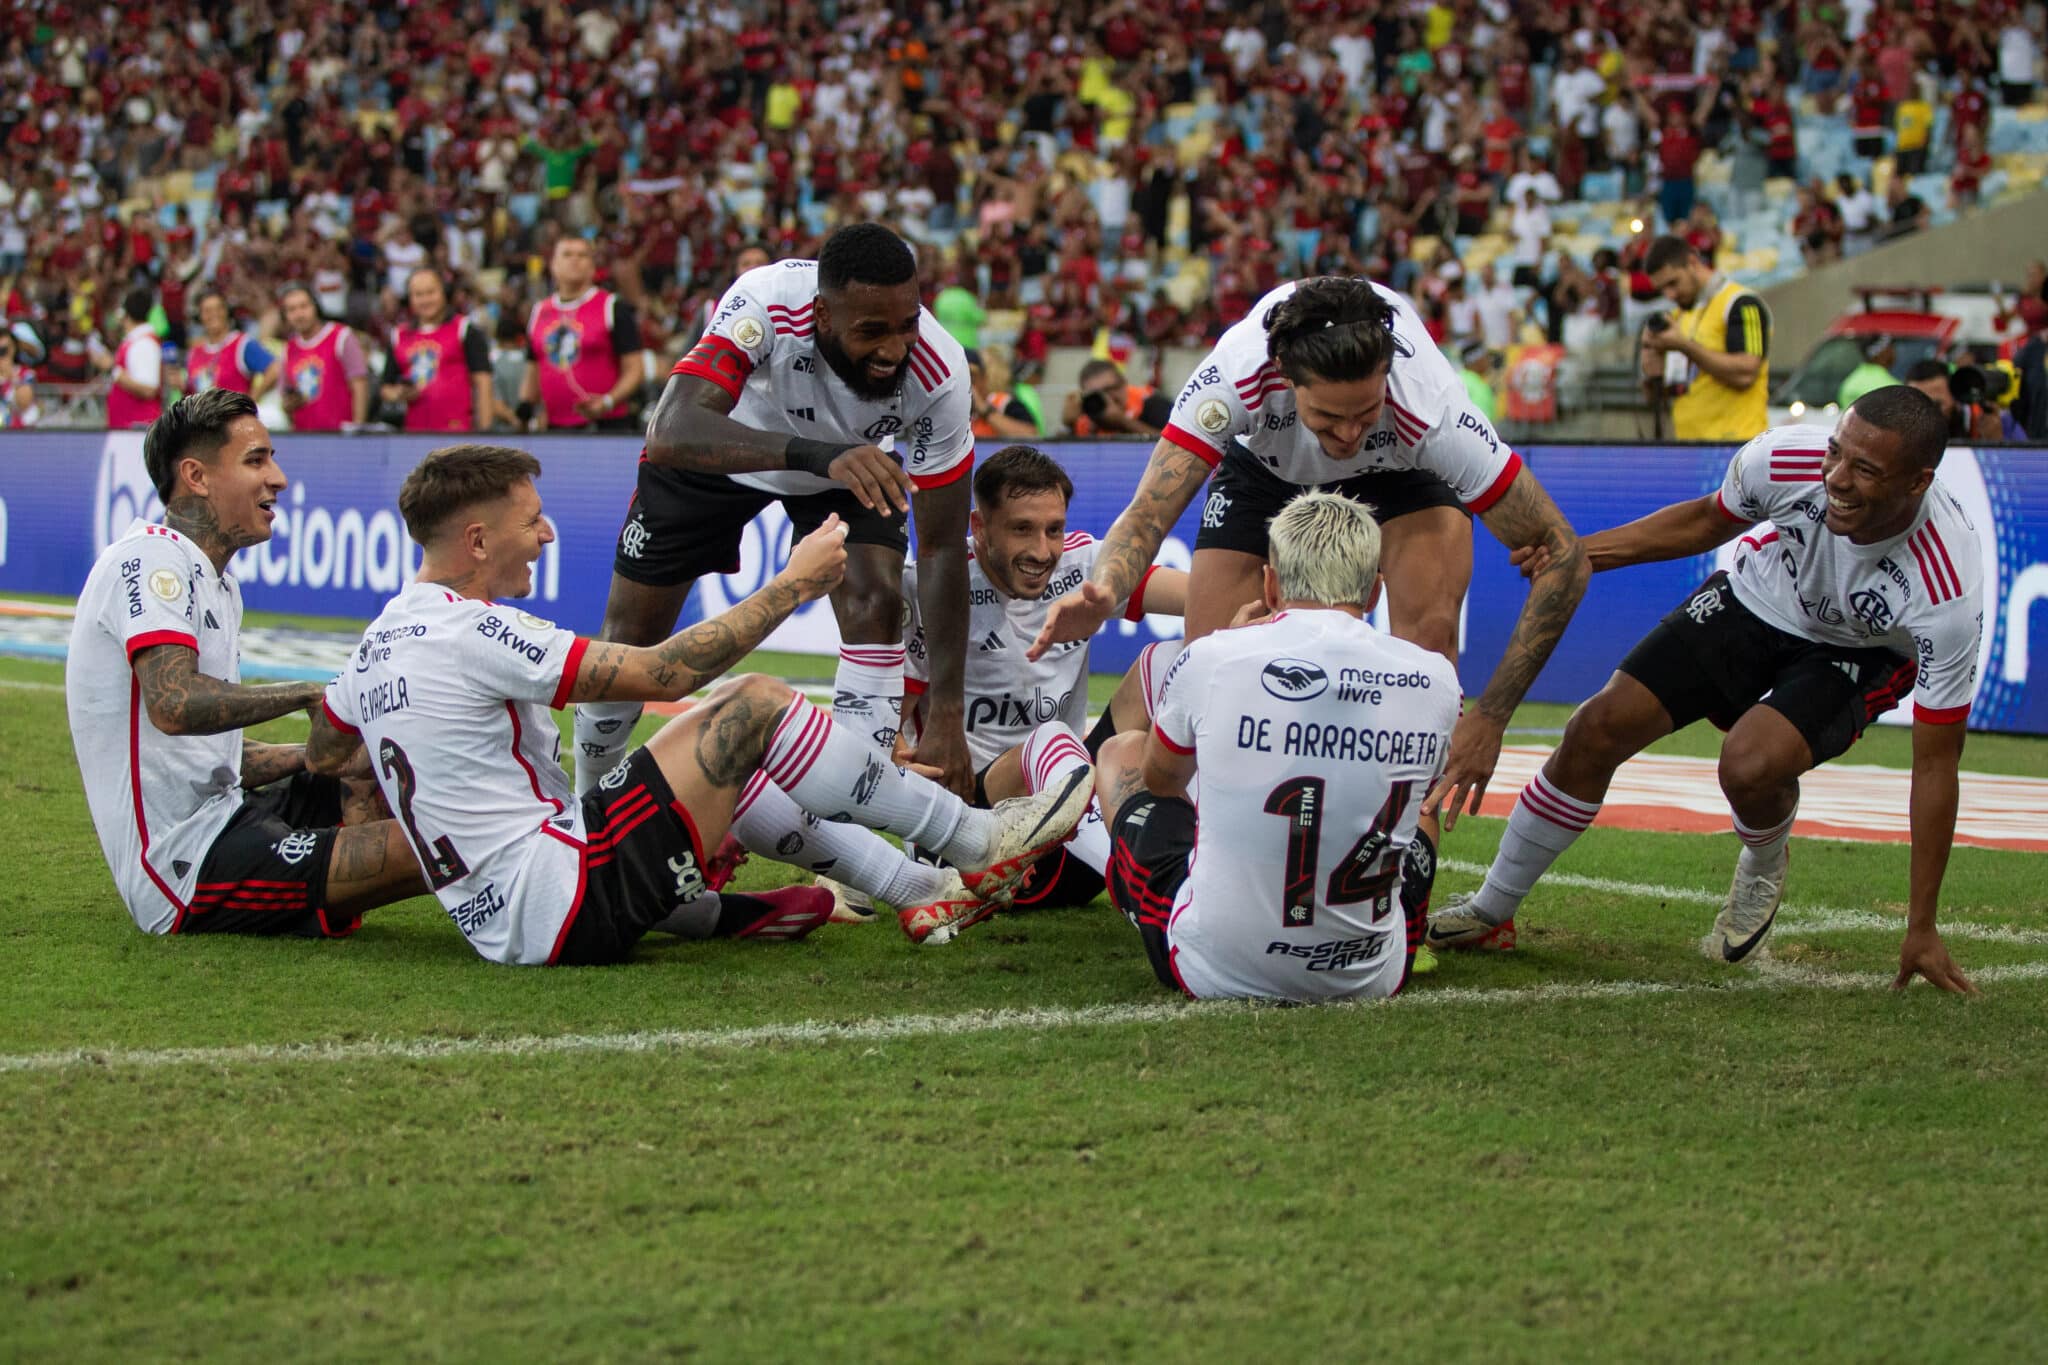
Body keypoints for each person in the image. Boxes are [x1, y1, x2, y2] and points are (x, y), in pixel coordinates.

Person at [305, 445, 1095, 966]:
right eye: (530, 519)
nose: (547, 531)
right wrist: (793, 584)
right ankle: (975, 838)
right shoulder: (470, 631)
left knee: (721, 754)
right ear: (477, 542)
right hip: (556, 889)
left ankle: (921, 891)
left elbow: (327, 748)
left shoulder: (377, 643)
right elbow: (663, 670)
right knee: (745, 706)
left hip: (505, 911)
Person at [1429, 389, 1980, 995]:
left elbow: (1935, 766)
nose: (1837, 480)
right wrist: (1579, 555)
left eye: (1865, 470)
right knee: (1596, 728)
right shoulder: (1787, 462)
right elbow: (1706, 521)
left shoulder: (1946, 587)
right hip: (1758, 599)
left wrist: (1921, 925)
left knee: (1749, 766)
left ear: (1917, 482)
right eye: (1836, 453)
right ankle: (1492, 908)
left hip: (1865, 650)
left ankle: (1764, 862)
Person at [1030, 275, 1587, 846]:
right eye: (1328, 416)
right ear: (1285, 378)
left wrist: (1491, 718)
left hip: (1403, 469)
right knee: (1211, 662)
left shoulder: (1433, 411)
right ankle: (1221, 858)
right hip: (1267, 468)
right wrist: (1103, 589)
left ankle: (1403, 876)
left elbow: (1565, 558)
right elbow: (1148, 513)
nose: (1347, 434)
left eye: (1363, 412)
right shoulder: (1235, 380)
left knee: (1431, 651)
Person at [572, 223, 981, 810]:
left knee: (878, 604)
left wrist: (946, 709)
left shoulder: (939, 373)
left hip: (849, 468)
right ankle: (588, 812)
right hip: (725, 452)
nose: (894, 349)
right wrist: (818, 455)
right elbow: (672, 429)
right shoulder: (765, 300)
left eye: (907, 324)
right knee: (631, 638)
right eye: (871, 331)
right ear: (821, 316)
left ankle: (854, 832)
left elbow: (942, 548)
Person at [65, 390, 426, 939]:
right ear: (197, 476)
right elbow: (174, 704)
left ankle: (338, 885)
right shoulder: (150, 559)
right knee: (434, 840)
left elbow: (211, 757)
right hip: (183, 866)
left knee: (390, 766)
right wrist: (308, 696)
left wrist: (312, 757)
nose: (277, 479)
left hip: (230, 817)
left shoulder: (218, 582)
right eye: (256, 461)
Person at [1092, 491, 1459, 1002]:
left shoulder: (1214, 657)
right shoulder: (1436, 679)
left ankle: (1163, 903)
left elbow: (1160, 781)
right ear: (1376, 593)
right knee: (1422, 810)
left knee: (1119, 754)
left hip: (1213, 968)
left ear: (1270, 582)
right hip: (1370, 975)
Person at [890, 444, 1188, 917]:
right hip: (972, 841)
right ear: (979, 528)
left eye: (1053, 529)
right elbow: (884, 735)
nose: (1042, 551)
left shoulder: (1084, 565)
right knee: (1050, 740)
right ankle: (1157, 890)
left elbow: (1200, 597)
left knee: (1170, 661)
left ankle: (1185, 855)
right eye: (1022, 529)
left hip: (1071, 824)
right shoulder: (930, 587)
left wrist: (1259, 612)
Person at [1640, 236, 1771, 441]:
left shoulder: (1741, 303)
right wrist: (1651, 371)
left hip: (1737, 445)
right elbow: (1665, 394)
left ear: (1693, 261)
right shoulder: (1677, 317)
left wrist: (1683, 346)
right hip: (1689, 448)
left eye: (1673, 283)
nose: (1670, 295)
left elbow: (1746, 373)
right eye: (1662, 289)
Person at [522, 236, 647, 432]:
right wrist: (525, 410)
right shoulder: (539, 312)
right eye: (567, 254)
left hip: (606, 426)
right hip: (555, 430)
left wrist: (607, 402)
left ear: (592, 266)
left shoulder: (612, 307)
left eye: (582, 255)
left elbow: (635, 369)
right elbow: (533, 371)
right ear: (553, 265)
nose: (575, 260)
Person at [382, 268, 492, 432]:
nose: (425, 300)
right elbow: (385, 387)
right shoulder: (398, 336)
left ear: (444, 293)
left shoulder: (465, 330)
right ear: (410, 299)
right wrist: (399, 394)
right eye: (418, 294)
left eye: (431, 292)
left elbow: (483, 383)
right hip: (413, 434)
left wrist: (485, 432)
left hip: (457, 433)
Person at [278, 283, 370, 432]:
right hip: (304, 436)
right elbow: (284, 399)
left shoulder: (341, 336)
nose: (299, 314)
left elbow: (359, 384)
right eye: (292, 310)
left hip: (339, 434)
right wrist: (289, 404)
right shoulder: (288, 349)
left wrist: (358, 427)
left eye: (304, 306)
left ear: (315, 306)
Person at [184, 289, 276, 398]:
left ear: (226, 311)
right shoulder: (195, 353)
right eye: (207, 311)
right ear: (200, 316)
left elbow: (274, 369)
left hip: (234, 414)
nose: (214, 314)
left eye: (218, 309)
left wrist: (252, 398)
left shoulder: (241, 344)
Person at [1062, 358, 1165, 438]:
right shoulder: (1085, 416)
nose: (1106, 397)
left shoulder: (1151, 403)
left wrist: (1124, 422)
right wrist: (1070, 425)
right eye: (1096, 394)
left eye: (1110, 389)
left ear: (1124, 383)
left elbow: (1170, 446)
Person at [106, 287, 163, 431]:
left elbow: (149, 389)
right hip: (127, 429)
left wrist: (115, 372)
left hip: (137, 430)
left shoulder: (143, 344)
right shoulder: (135, 341)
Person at [967, 348, 1039, 439]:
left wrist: (985, 410)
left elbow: (1031, 436)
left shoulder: (1004, 404)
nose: (967, 382)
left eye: (972, 376)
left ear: (984, 378)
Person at [1835, 334, 1896, 408]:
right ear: (1883, 351)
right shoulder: (1890, 386)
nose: (1894, 351)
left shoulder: (1850, 383)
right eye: (1891, 347)